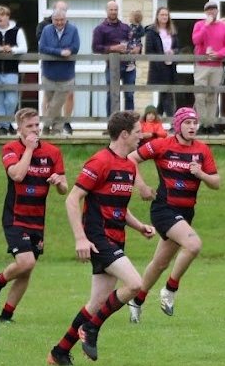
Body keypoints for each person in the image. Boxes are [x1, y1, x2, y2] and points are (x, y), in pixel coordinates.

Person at [48, 111, 156, 365]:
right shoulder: (99, 162)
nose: (143, 135)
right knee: (135, 285)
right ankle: (92, 329)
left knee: (97, 302)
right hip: (99, 238)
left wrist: (139, 226)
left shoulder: (129, 165)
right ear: (124, 134)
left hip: (116, 238)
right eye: (139, 132)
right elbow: (72, 199)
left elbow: (118, 207)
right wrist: (80, 238)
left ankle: (59, 352)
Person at [126, 107, 221, 322]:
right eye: (187, 122)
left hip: (186, 213)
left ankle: (137, 301)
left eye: (195, 122)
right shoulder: (162, 145)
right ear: (178, 125)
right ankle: (170, 289)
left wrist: (202, 174)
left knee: (160, 263)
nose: (192, 126)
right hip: (164, 209)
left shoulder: (202, 150)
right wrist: (140, 186)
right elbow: (130, 159)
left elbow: (216, 183)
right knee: (194, 245)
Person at [0, 107, 69, 323]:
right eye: (29, 126)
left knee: (26, 271)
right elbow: (18, 175)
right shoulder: (10, 149)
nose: (35, 130)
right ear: (20, 129)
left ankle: (6, 316)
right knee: (26, 262)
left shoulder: (53, 152)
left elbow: (64, 189)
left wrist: (59, 182)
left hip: (37, 219)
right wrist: (30, 150)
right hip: (15, 217)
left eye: (36, 125)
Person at [0, 5, 28, 136]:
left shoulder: (17, 30)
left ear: (7, 16)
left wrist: (12, 49)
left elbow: (23, 48)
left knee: (11, 100)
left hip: (11, 70)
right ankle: (4, 127)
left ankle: (7, 123)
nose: (0, 18)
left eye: (2, 15)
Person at [192, 0, 225, 134]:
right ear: (205, 12)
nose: (211, 11)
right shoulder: (199, 24)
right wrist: (206, 26)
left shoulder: (224, 27)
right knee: (200, 95)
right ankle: (203, 123)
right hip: (201, 65)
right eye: (208, 9)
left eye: (213, 9)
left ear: (217, 11)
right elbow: (196, 40)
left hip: (216, 65)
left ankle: (210, 125)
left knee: (212, 96)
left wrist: (219, 54)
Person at [39, 8, 80, 136]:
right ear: (52, 20)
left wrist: (68, 51)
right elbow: (42, 47)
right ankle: (56, 130)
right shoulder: (46, 30)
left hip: (66, 74)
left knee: (57, 103)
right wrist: (60, 52)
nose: (59, 22)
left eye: (62, 20)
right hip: (49, 73)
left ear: (65, 19)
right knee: (51, 102)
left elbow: (75, 47)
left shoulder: (73, 30)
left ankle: (45, 126)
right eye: (57, 20)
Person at [92, 1, 135, 118]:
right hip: (111, 65)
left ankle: (130, 124)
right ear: (107, 11)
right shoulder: (100, 29)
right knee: (112, 94)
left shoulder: (125, 27)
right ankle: (111, 124)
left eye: (115, 10)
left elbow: (133, 42)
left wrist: (135, 48)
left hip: (128, 65)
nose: (113, 12)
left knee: (130, 95)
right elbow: (95, 48)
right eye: (111, 10)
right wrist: (113, 48)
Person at [145, 7, 180, 117]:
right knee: (167, 94)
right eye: (162, 15)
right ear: (157, 16)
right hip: (158, 67)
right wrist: (162, 57)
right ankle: (173, 122)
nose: (164, 17)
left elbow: (178, 47)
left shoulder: (172, 31)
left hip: (170, 67)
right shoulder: (151, 31)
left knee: (165, 94)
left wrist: (173, 52)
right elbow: (149, 51)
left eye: (166, 15)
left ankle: (157, 119)